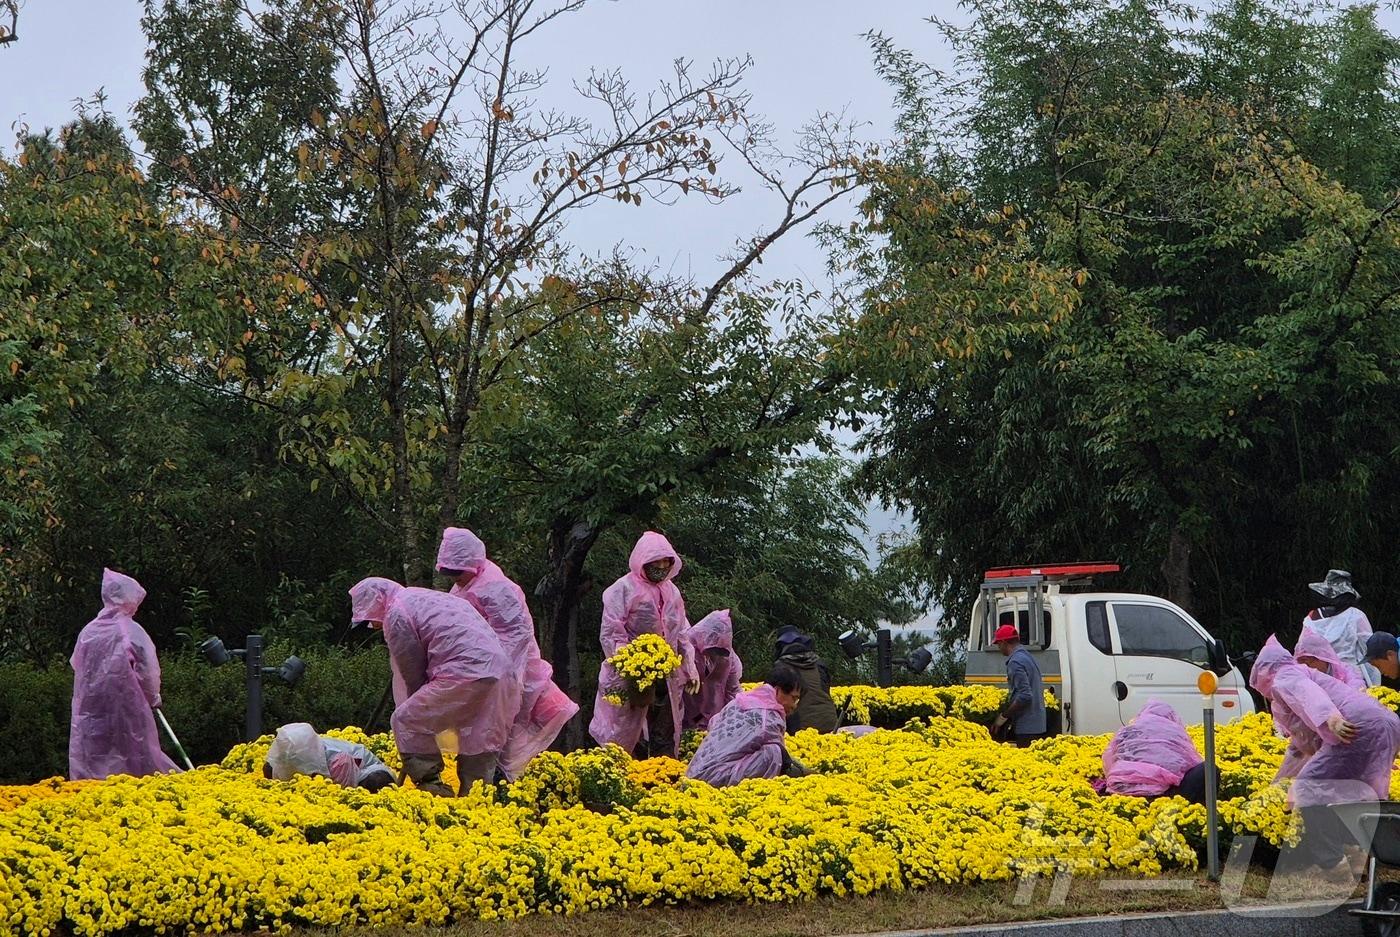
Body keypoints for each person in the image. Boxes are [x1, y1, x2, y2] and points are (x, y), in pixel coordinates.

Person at [349, 576, 519, 796]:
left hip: (464, 672)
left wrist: (415, 704)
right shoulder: (426, 598)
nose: (372, 625)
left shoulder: (397, 613)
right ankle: (477, 804)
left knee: (406, 719)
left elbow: (412, 670)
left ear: (375, 603)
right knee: (479, 734)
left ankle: (433, 787)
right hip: (501, 672)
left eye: (369, 619)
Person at [435, 527, 579, 780]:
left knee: (506, 729)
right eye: (451, 573)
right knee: (491, 733)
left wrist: (493, 672)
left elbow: (516, 635)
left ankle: (506, 788)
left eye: (458, 572)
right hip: (480, 671)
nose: (455, 578)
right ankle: (497, 787)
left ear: (472, 564)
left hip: (506, 670)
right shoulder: (464, 587)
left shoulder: (495, 588)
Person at [1250, 635, 1400, 877]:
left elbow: (1309, 695)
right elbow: (1299, 750)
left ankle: (1333, 865)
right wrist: (1276, 785)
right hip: (1385, 724)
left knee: (1309, 789)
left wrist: (1332, 719)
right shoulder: (1309, 676)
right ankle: (1360, 856)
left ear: (1264, 674)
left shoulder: (1285, 677)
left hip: (1353, 728)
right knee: (1360, 794)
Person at [589, 532, 698, 758]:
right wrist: (633, 664)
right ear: (642, 561)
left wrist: (689, 666)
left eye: (665, 561)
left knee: (664, 734)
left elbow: (682, 631)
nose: (660, 566)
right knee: (625, 734)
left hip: (666, 675)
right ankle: (624, 782)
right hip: (628, 674)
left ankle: (662, 781)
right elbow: (611, 632)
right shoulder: (623, 589)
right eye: (655, 561)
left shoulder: (672, 592)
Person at [69, 569, 181, 781]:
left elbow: (77, 664)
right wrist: (153, 696)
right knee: (133, 755)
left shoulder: (88, 631)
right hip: (127, 706)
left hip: (90, 708)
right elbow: (147, 669)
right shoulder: (130, 631)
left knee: (93, 756)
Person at [685, 663, 808, 787]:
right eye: (794, 698)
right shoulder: (769, 716)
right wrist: (806, 772)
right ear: (778, 691)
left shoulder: (739, 701)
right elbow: (783, 757)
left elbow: (713, 723)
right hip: (713, 780)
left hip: (693, 774)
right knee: (773, 753)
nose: (794, 705)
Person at [1101, 700, 1207, 804]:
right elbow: (1191, 762)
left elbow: (1108, 761)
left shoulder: (1128, 730)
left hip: (1119, 793)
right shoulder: (1174, 731)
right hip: (1160, 798)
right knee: (1208, 769)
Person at [263, 723, 396, 792]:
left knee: (375, 782)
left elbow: (346, 788)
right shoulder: (289, 753)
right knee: (269, 769)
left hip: (364, 771)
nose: (286, 753)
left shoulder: (337, 760)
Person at [1303, 569, 1378, 686]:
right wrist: (1374, 682)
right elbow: (1369, 650)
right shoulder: (1355, 615)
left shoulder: (1311, 617)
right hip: (1352, 678)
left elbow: (1303, 651)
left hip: (1320, 679)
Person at [683, 609, 743, 732]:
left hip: (714, 718)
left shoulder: (728, 658)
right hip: (686, 713)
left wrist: (737, 717)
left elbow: (733, 690)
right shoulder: (686, 647)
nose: (715, 654)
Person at [774, 626, 839, 734]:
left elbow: (776, 701)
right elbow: (825, 690)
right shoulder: (819, 664)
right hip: (830, 721)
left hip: (801, 728)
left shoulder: (781, 668)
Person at [991, 624, 1046, 747]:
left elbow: (1025, 696)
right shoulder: (1027, 656)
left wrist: (1003, 717)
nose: (999, 648)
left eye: (998, 644)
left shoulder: (1015, 662)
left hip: (1027, 727)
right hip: (1038, 724)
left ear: (1005, 642)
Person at [1295, 625, 1367, 690]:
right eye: (1301, 665)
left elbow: (1358, 690)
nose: (1306, 669)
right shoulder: (1300, 676)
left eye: (1308, 663)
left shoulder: (1347, 671)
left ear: (1321, 658)